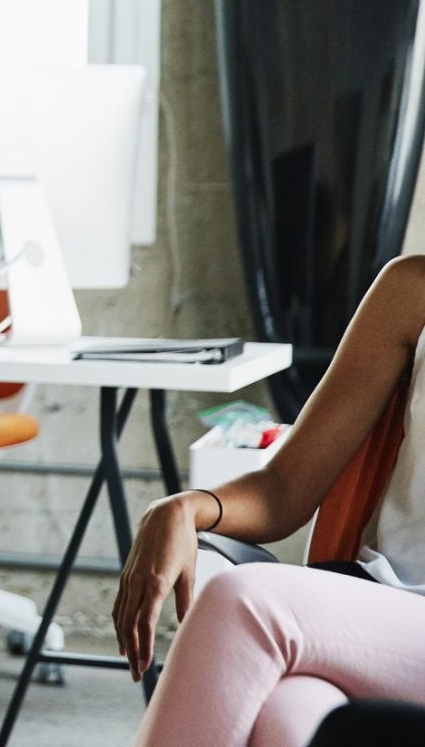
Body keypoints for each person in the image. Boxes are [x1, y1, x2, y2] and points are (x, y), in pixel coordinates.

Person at [113, 256, 425, 747]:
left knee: (243, 604)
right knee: (281, 718)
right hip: (376, 602)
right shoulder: (412, 290)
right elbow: (285, 488)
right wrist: (186, 507)